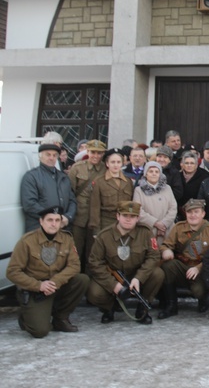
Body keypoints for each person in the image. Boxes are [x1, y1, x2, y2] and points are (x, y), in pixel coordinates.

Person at [7, 207, 90, 338]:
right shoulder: (27, 241)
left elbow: (74, 266)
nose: (54, 223)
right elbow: (12, 272)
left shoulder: (66, 238)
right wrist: (39, 285)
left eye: (57, 220)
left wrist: (54, 282)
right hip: (35, 290)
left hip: (56, 286)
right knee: (40, 331)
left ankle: (60, 318)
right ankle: (26, 317)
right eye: (50, 220)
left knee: (82, 280)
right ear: (41, 221)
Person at [87, 201, 164, 324]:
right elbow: (95, 263)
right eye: (124, 216)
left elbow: (154, 256)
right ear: (117, 216)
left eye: (132, 217)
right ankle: (109, 307)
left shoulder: (146, 233)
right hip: (113, 277)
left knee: (158, 274)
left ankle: (142, 308)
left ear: (138, 218)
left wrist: (139, 278)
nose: (128, 220)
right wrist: (113, 285)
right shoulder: (104, 236)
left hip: (136, 275)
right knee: (94, 293)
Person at [158, 198, 209, 319]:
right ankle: (171, 305)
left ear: (203, 213)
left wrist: (198, 268)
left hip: (202, 269)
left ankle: (203, 299)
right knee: (168, 266)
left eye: (196, 212)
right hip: (184, 267)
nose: (193, 215)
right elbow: (166, 245)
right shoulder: (178, 227)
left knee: (198, 291)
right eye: (189, 212)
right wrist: (166, 251)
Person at [67, 139, 107, 269]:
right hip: (79, 216)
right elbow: (70, 193)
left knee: (93, 253)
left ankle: (91, 282)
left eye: (99, 153)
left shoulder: (105, 169)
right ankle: (75, 280)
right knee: (75, 252)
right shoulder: (77, 168)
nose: (96, 156)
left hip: (96, 218)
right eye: (93, 152)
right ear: (87, 152)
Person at [21, 143, 77, 232]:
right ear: (40, 157)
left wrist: (68, 217)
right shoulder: (31, 177)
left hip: (62, 229)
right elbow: (30, 204)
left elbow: (72, 201)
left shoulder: (64, 177)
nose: (51, 158)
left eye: (54, 155)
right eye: (48, 154)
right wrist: (54, 218)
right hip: (39, 229)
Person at [88, 147, 134, 232]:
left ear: (122, 163)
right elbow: (95, 207)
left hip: (124, 222)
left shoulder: (128, 182)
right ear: (107, 163)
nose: (116, 165)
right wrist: (96, 230)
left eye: (118, 162)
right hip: (106, 222)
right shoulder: (99, 182)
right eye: (113, 162)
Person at [133, 161, 177, 245]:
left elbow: (173, 208)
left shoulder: (167, 188)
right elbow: (138, 210)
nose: (154, 174)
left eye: (157, 172)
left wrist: (164, 224)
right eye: (151, 171)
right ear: (146, 174)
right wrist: (156, 223)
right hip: (148, 230)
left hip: (167, 229)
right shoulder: (138, 190)